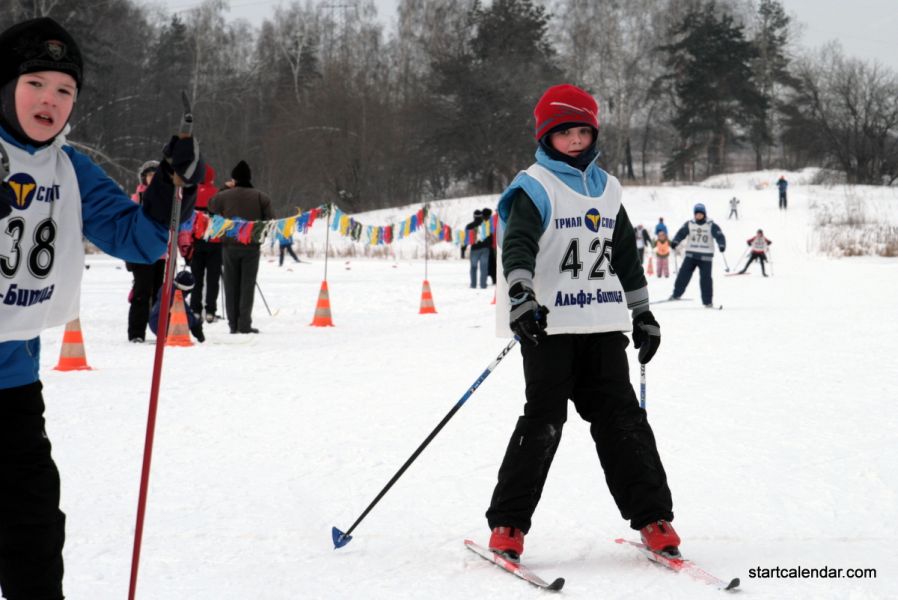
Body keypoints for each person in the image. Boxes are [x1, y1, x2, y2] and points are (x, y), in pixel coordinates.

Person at [0, 17, 203, 600]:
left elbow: (137, 238)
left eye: (65, 90)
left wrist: (171, 192)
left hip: (12, 384)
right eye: (35, 82)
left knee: (34, 531)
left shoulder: (69, 169)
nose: (50, 100)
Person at [487, 83, 677, 563]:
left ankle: (654, 518)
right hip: (547, 328)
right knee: (544, 422)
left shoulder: (609, 189)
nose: (574, 140)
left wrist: (643, 313)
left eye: (583, 131)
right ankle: (508, 524)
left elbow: (626, 256)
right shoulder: (535, 185)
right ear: (546, 136)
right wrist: (521, 299)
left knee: (624, 423)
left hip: (603, 325)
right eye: (564, 132)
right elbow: (518, 247)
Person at [208, 160, 273, 334]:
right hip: (251, 247)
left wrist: (223, 188)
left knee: (231, 285)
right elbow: (270, 221)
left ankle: (232, 325)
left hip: (229, 246)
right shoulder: (261, 196)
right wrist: (260, 236)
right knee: (247, 286)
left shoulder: (224, 195)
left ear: (234, 179)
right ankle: (244, 324)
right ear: (249, 177)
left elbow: (211, 207)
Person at [126, 161, 166, 342]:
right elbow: (129, 225)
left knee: (160, 293)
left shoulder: (168, 196)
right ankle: (136, 333)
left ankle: (161, 331)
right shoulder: (137, 198)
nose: (152, 178)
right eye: (149, 175)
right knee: (142, 293)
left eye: (155, 175)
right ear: (144, 178)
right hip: (141, 253)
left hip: (160, 253)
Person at [669, 203, 726, 308]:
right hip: (691, 255)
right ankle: (676, 294)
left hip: (706, 257)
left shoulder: (711, 225)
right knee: (683, 275)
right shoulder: (689, 224)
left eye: (701, 214)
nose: (698, 216)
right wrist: (675, 241)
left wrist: (721, 244)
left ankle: (708, 302)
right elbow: (681, 233)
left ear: (704, 214)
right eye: (697, 214)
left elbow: (719, 235)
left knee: (706, 279)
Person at [187, 164, 223, 323]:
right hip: (215, 242)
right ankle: (210, 311)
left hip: (196, 241)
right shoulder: (218, 194)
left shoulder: (192, 193)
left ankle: (195, 309)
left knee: (196, 277)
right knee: (213, 279)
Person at [148, 270, 205, 342]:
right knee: (189, 317)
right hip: (163, 326)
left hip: (154, 322)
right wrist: (198, 329)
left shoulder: (168, 288)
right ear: (187, 289)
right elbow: (188, 313)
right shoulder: (176, 296)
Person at [465, 209, 489, 288]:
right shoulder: (486, 225)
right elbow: (490, 237)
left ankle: (473, 284)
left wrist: (463, 249)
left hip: (474, 249)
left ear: (474, 216)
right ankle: (483, 285)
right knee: (484, 267)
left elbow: (466, 239)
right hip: (485, 249)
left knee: (473, 267)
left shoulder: (469, 226)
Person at [482, 207, 497, 285]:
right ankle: (493, 278)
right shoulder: (489, 221)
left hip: (490, 244)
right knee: (491, 263)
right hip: (490, 244)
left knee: (491, 263)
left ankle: (493, 278)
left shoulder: (490, 220)